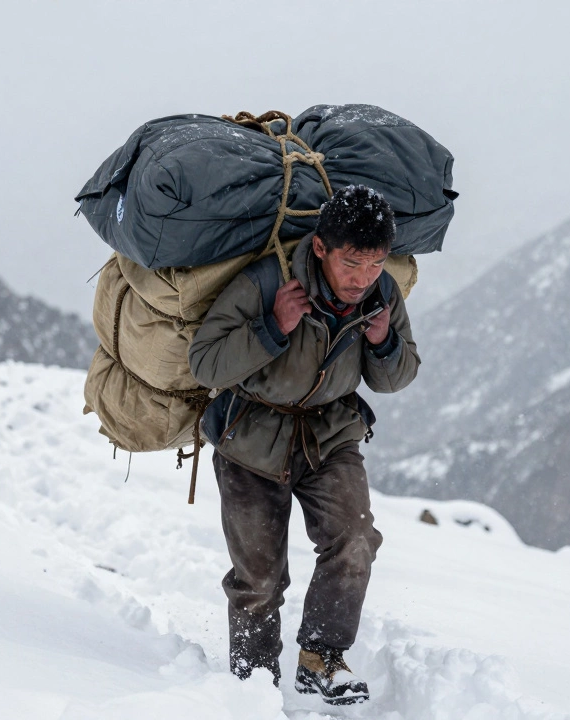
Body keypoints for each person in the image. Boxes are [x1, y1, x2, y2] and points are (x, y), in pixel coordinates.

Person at [188, 185, 420, 706]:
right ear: (320, 248)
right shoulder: (268, 281)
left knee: (355, 539)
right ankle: (253, 685)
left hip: (330, 433)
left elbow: (395, 378)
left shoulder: (382, 296)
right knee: (260, 577)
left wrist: (384, 342)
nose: (363, 279)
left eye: (376, 264)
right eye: (352, 262)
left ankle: (322, 658)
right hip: (249, 437)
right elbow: (204, 362)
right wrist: (273, 325)